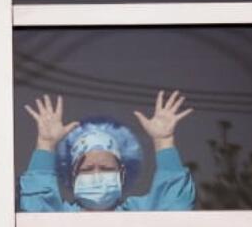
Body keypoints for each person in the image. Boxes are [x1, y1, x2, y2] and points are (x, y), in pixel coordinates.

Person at [19, 91, 196, 212]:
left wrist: (163, 142)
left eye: (106, 168)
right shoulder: (62, 216)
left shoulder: (138, 213)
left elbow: (175, 206)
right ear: (73, 177)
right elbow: (36, 207)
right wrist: (46, 144)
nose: (97, 175)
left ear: (122, 174)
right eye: (87, 169)